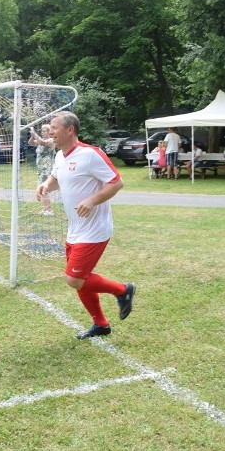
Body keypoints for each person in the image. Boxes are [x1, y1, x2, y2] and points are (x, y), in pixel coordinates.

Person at [35, 112, 135, 340]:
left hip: (95, 230)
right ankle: (101, 325)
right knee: (81, 280)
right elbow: (55, 179)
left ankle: (123, 290)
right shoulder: (60, 155)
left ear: (69, 130)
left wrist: (91, 200)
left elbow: (117, 182)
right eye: (49, 128)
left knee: (74, 278)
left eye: (54, 127)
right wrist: (45, 185)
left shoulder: (90, 154)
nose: (50, 132)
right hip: (75, 229)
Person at [29, 124, 55, 215]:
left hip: (47, 168)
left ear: (49, 132)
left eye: (44, 131)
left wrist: (34, 133)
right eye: (42, 131)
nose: (42, 133)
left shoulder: (51, 140)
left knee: (44, 188)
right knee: (42, 188)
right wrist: (32, 136)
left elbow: (42, 142)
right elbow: (31, 143)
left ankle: (48, 210)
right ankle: (45, 209)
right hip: (40, 168)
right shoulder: (40, 140)